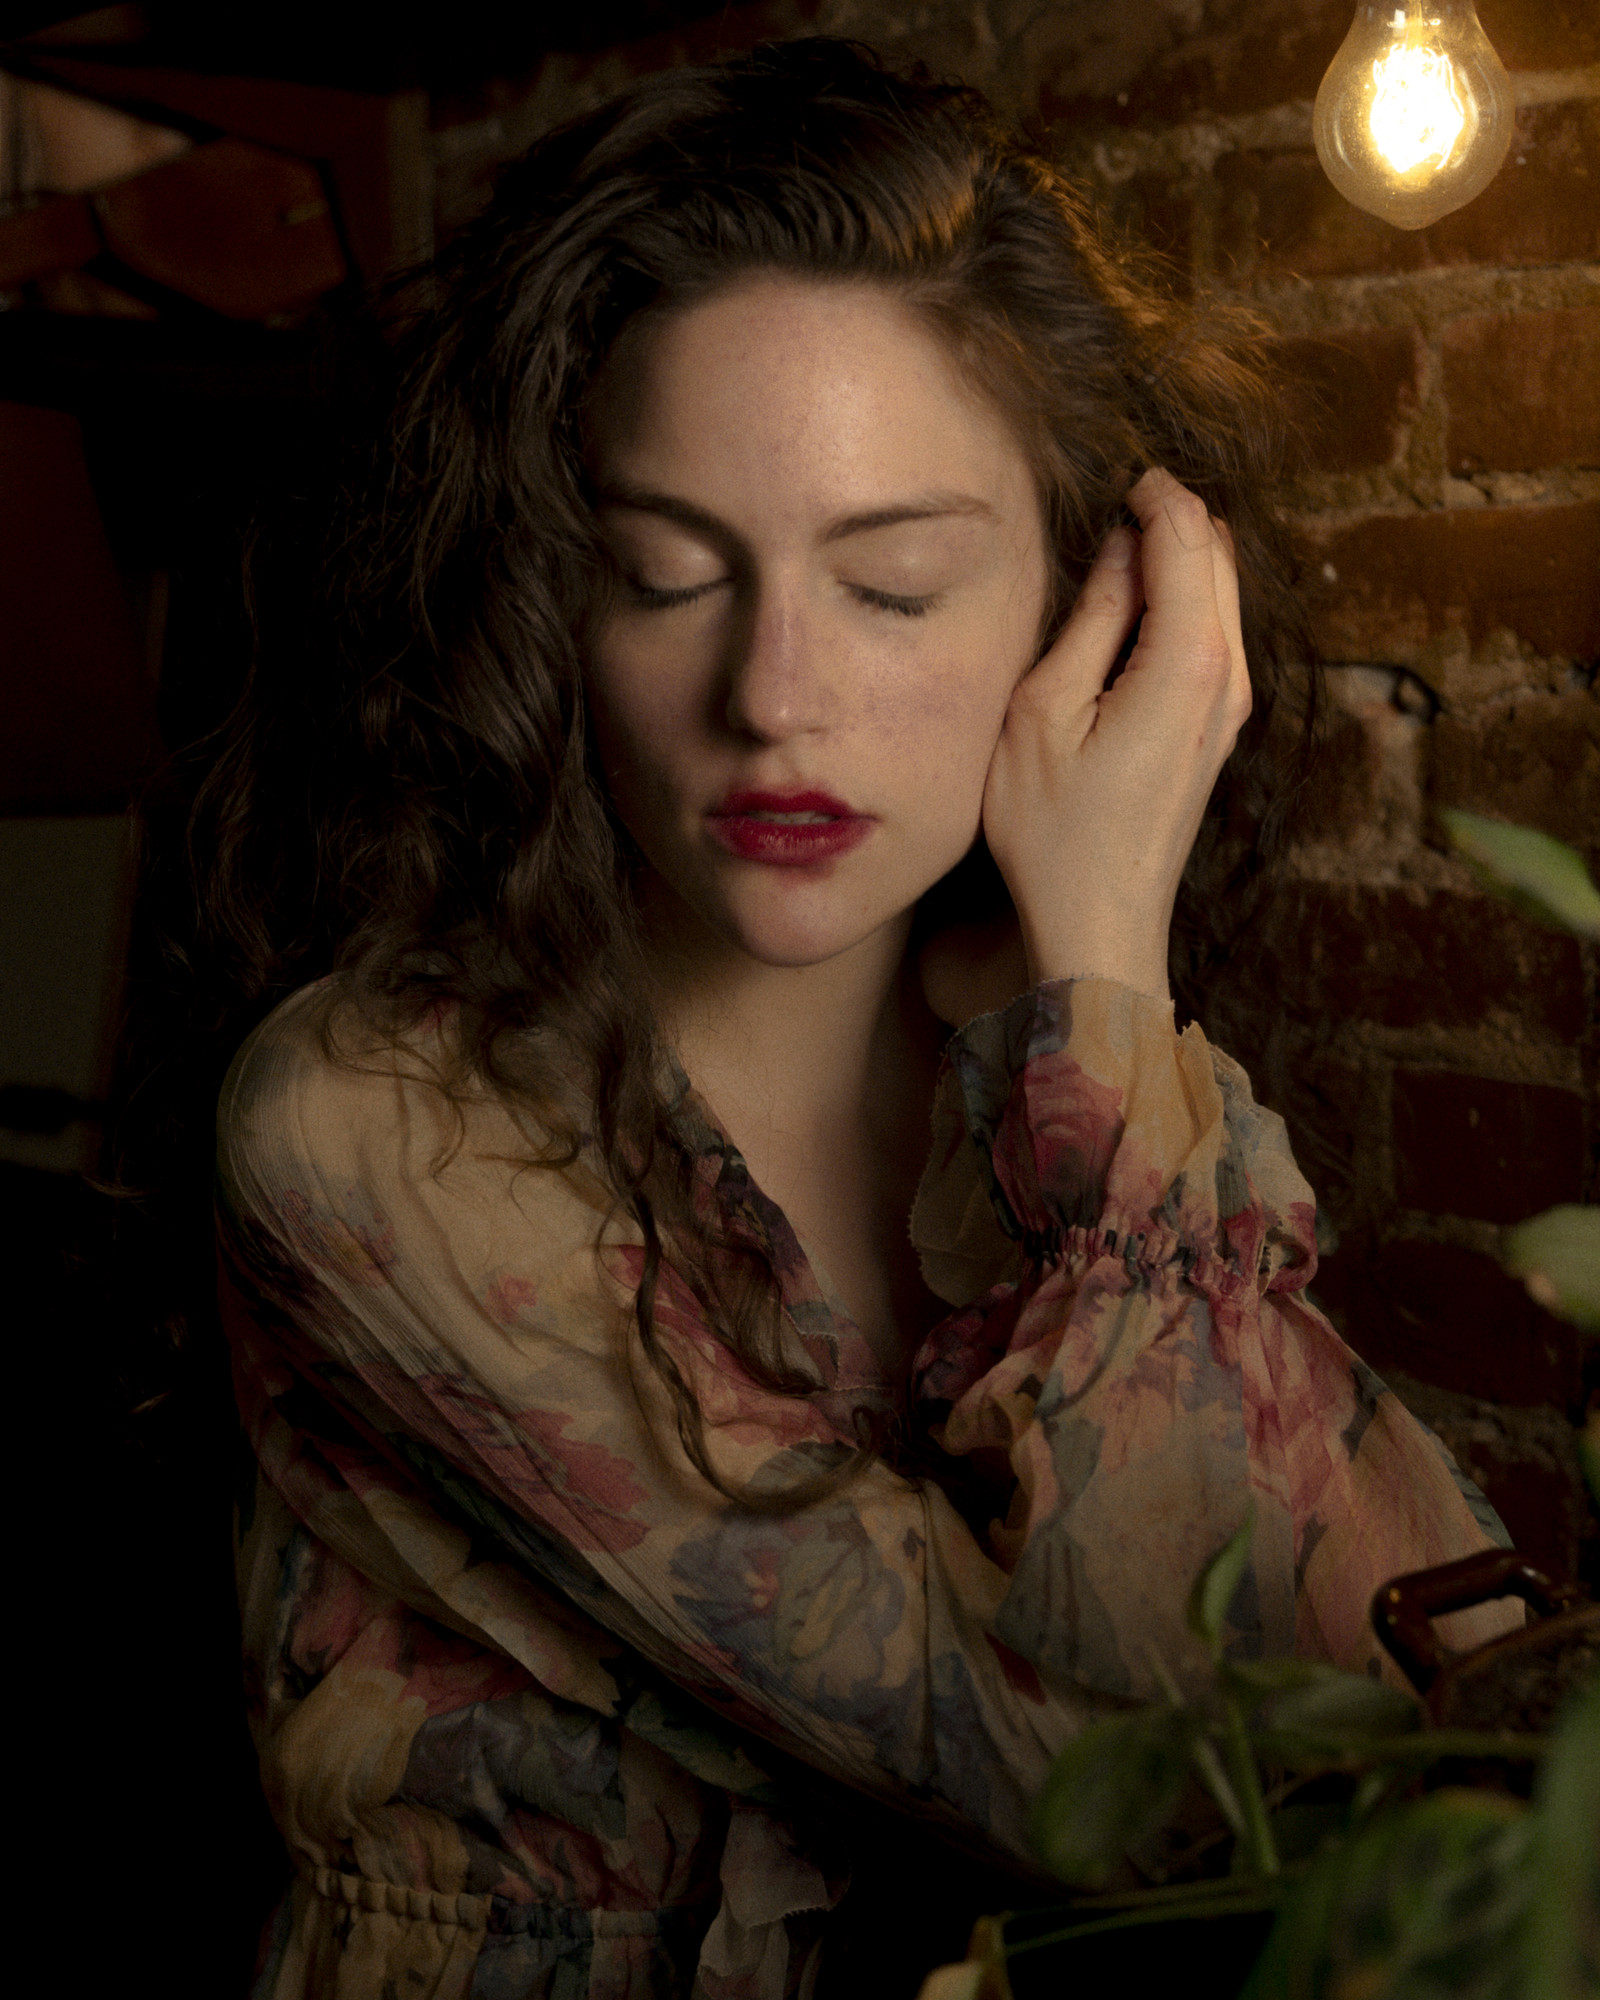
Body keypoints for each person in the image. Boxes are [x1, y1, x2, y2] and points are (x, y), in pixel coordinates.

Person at [197, 38, 1516, 2000]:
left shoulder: (1064, 1064)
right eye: (665, 577)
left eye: (892, 585)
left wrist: (1092, 990)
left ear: (1087, 612)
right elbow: (1129, 1797)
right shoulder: (368, 1119)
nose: (772, 695)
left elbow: (1453, 1686)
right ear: (553, 604)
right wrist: (1102, 991)